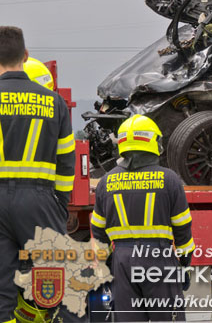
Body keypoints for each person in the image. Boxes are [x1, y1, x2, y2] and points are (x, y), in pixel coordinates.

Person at [0, 27, 75, 323]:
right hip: (40, 200)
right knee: (52, 288)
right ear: (26, 56)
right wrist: (59, 202)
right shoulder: (53, 102)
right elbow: (66, 160)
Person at [90, 115, 194, 322]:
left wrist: (109, 261)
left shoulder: (106, 182)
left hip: (122, 261)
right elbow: (182, 228)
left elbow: (98, 231)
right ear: (152, 142)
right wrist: (185, 262)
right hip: (159, 257)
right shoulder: (169, 179)